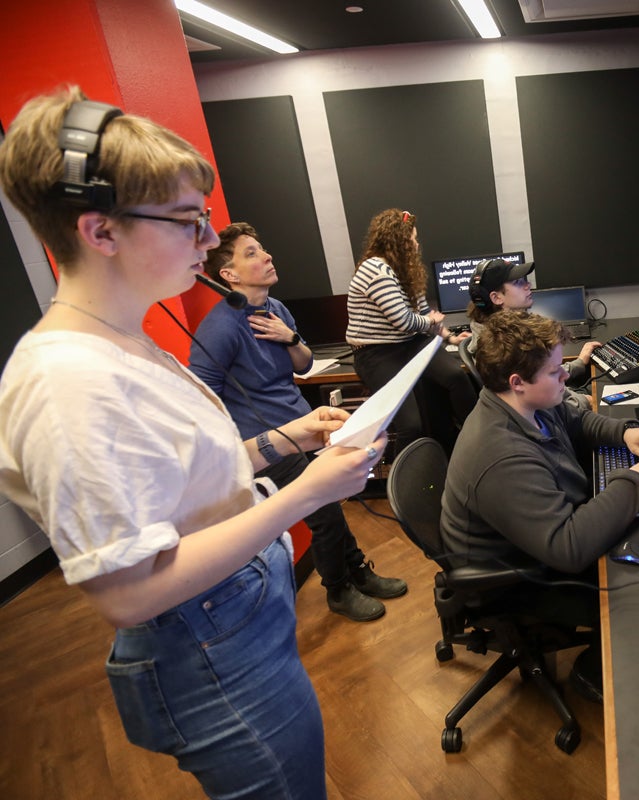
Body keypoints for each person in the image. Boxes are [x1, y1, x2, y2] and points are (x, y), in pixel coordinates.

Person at [0, 86, 388, 800]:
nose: (210, 243)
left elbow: (184, 482)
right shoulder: (66, 384)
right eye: (188, 222)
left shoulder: (126, 342)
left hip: (238, 624)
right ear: (100, 231)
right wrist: (308, 489)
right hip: (210, 649)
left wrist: (287, 437)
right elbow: (130, 592)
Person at [440, 310, 639, 701]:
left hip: (538, 544)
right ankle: (596, 673)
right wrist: (635, 480)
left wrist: (625, 432)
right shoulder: (501, 455)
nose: (565, 376)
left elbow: (575, 420)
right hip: (519, 579)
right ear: (518, 382)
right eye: (555, 372)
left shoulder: (523, 403)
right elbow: (567, 547)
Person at [189, 222, 407, 622]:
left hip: (303, 427)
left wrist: (289, 337)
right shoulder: (220, 327)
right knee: (323, 514)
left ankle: (356, 570)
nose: (267, 256)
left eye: (263, 248)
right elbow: (200, 395)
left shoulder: (276, 309)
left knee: (331, 505)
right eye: (252, 253)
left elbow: (304, 365)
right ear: (229, 275)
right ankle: (339, 590)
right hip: (268, 438)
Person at [346, 208, 477, 454]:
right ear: (397, 241)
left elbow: (424, 312)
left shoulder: (406, 269)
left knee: (457, 378)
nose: (417, 244)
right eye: (413, 239)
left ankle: (478, 441)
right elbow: (405, 321)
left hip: (411, 342)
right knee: (411, 425)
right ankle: (403, 484)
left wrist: (448, 337)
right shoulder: (375, 270)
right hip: (378, 352)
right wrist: (429, 321)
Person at [466, 258, 601, 410]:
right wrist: (586, 401)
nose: (527, 285)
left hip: (564, 397)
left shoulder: (510, 332)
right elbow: (542, 406)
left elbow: (540, 372)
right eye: (517, 283)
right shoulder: (503, 348)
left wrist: (579, 363)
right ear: (496, 298)